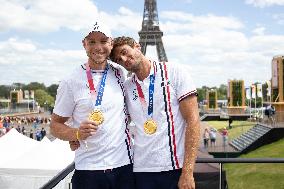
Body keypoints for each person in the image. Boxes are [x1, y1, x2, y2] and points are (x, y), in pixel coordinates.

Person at [50, 22, 135, 189]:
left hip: (124, 166)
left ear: (111, 44)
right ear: (84, 44)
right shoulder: (70, 81)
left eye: (103, 41)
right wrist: (75, 133)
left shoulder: (120, 72)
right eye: (92, 42)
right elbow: (55, 125)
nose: (98, 47)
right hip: (89, 171)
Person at [109, 36, 200, 189]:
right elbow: (113, 120)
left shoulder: (174, 72)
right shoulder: (126, 87)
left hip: (174, 168)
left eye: (125, 52)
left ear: (137, 46)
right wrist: (76, 133)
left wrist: (188, 171)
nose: (124, 59)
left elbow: (193, 120)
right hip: (141, 169)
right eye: (119, 59)